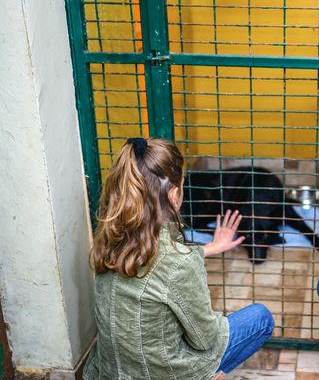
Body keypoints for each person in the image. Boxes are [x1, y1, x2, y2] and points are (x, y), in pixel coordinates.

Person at [83, 138, 274, 380]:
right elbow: (206, 339)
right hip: (164, 374)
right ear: (174, 194)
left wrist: (210, 248)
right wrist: (208, 315)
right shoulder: (180, 262)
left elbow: (153, 267)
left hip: (107, 373)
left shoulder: (108, 237)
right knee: (261, 318)